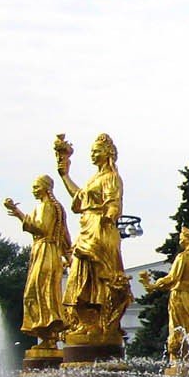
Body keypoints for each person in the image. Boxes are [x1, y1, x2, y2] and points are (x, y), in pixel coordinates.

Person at [57, 133, 132, 344]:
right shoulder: (94, 179)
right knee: (80, 275)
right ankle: (85, 321)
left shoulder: (111, 178)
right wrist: (64, 175)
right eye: (91, 151)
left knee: (100, 276)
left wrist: (109, 216)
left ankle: (100, 322)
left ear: (108, 153)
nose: (93, 154)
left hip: (100, 229)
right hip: (87, 227)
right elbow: (79, 199)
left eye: (96, 151)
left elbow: (114, 203)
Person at [3, 174, 71, 347]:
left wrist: (18, 213)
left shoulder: (46, 206)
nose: (33, 191)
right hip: (48, 252)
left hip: (45, 251)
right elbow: (64, 235)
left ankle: (49, 335)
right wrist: (68, 255)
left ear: (46, 187)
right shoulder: (53, 207)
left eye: (36, 187)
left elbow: (41, 228)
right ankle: (49, 337)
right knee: (44, 293)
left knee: (36, 293)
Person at [139, 226, 189, 361]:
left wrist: (155, 284)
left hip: (179, 294)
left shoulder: (183, 257)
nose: (180, 241)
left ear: (186, 240)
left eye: (182, 238)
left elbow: (173, 277)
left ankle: (178, 357)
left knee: (178, 326)